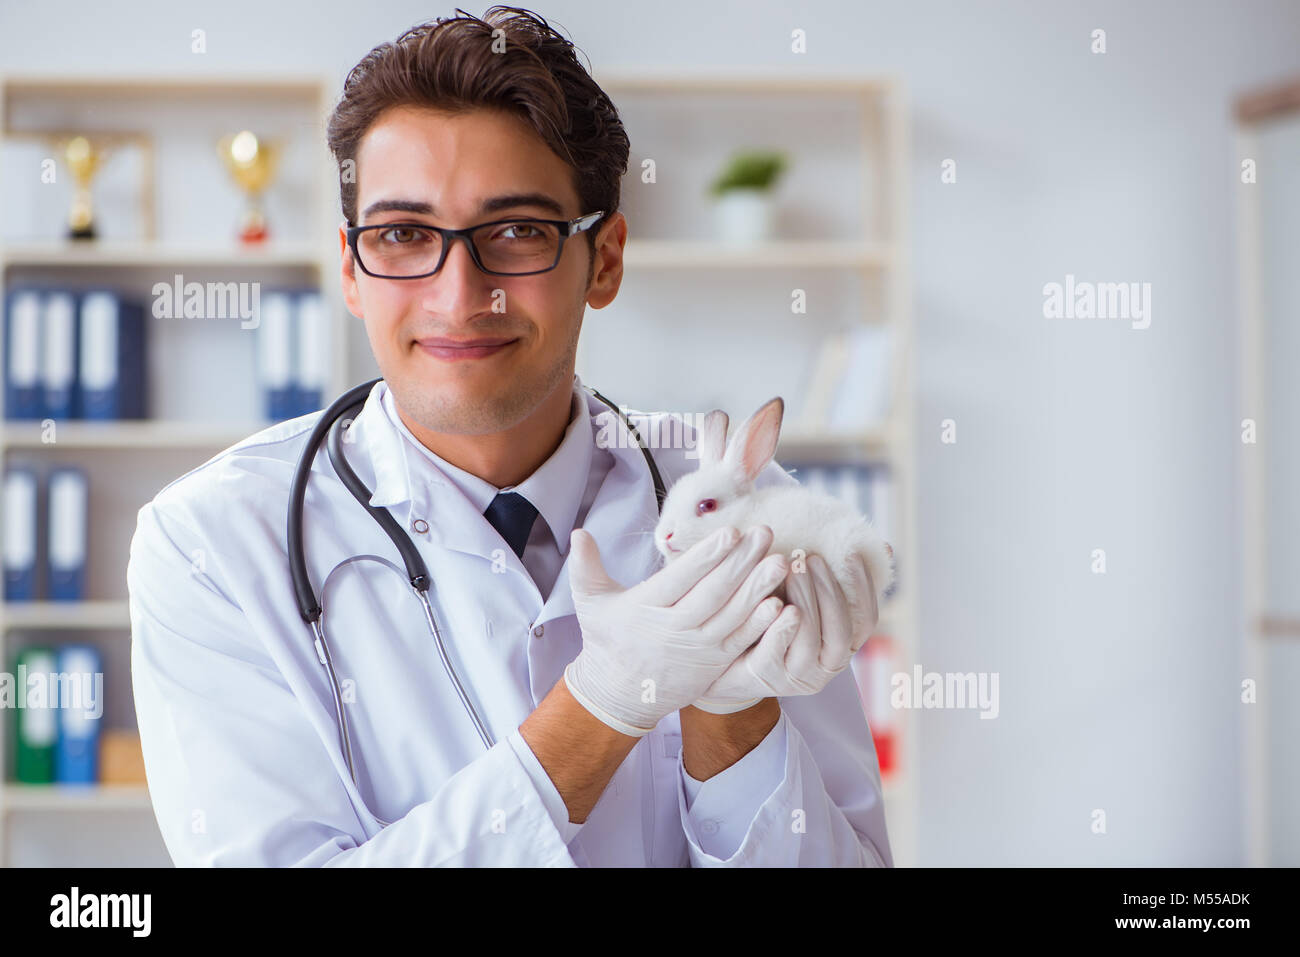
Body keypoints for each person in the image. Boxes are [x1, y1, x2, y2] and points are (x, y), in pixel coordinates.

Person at [127, 5, 892, 867]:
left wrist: (732, 711)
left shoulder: (745, 510)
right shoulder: (209, 543)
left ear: (604, 259)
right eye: (404, 235)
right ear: (350, 269)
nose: (459, 296)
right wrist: (601, 705)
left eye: (517, 231)